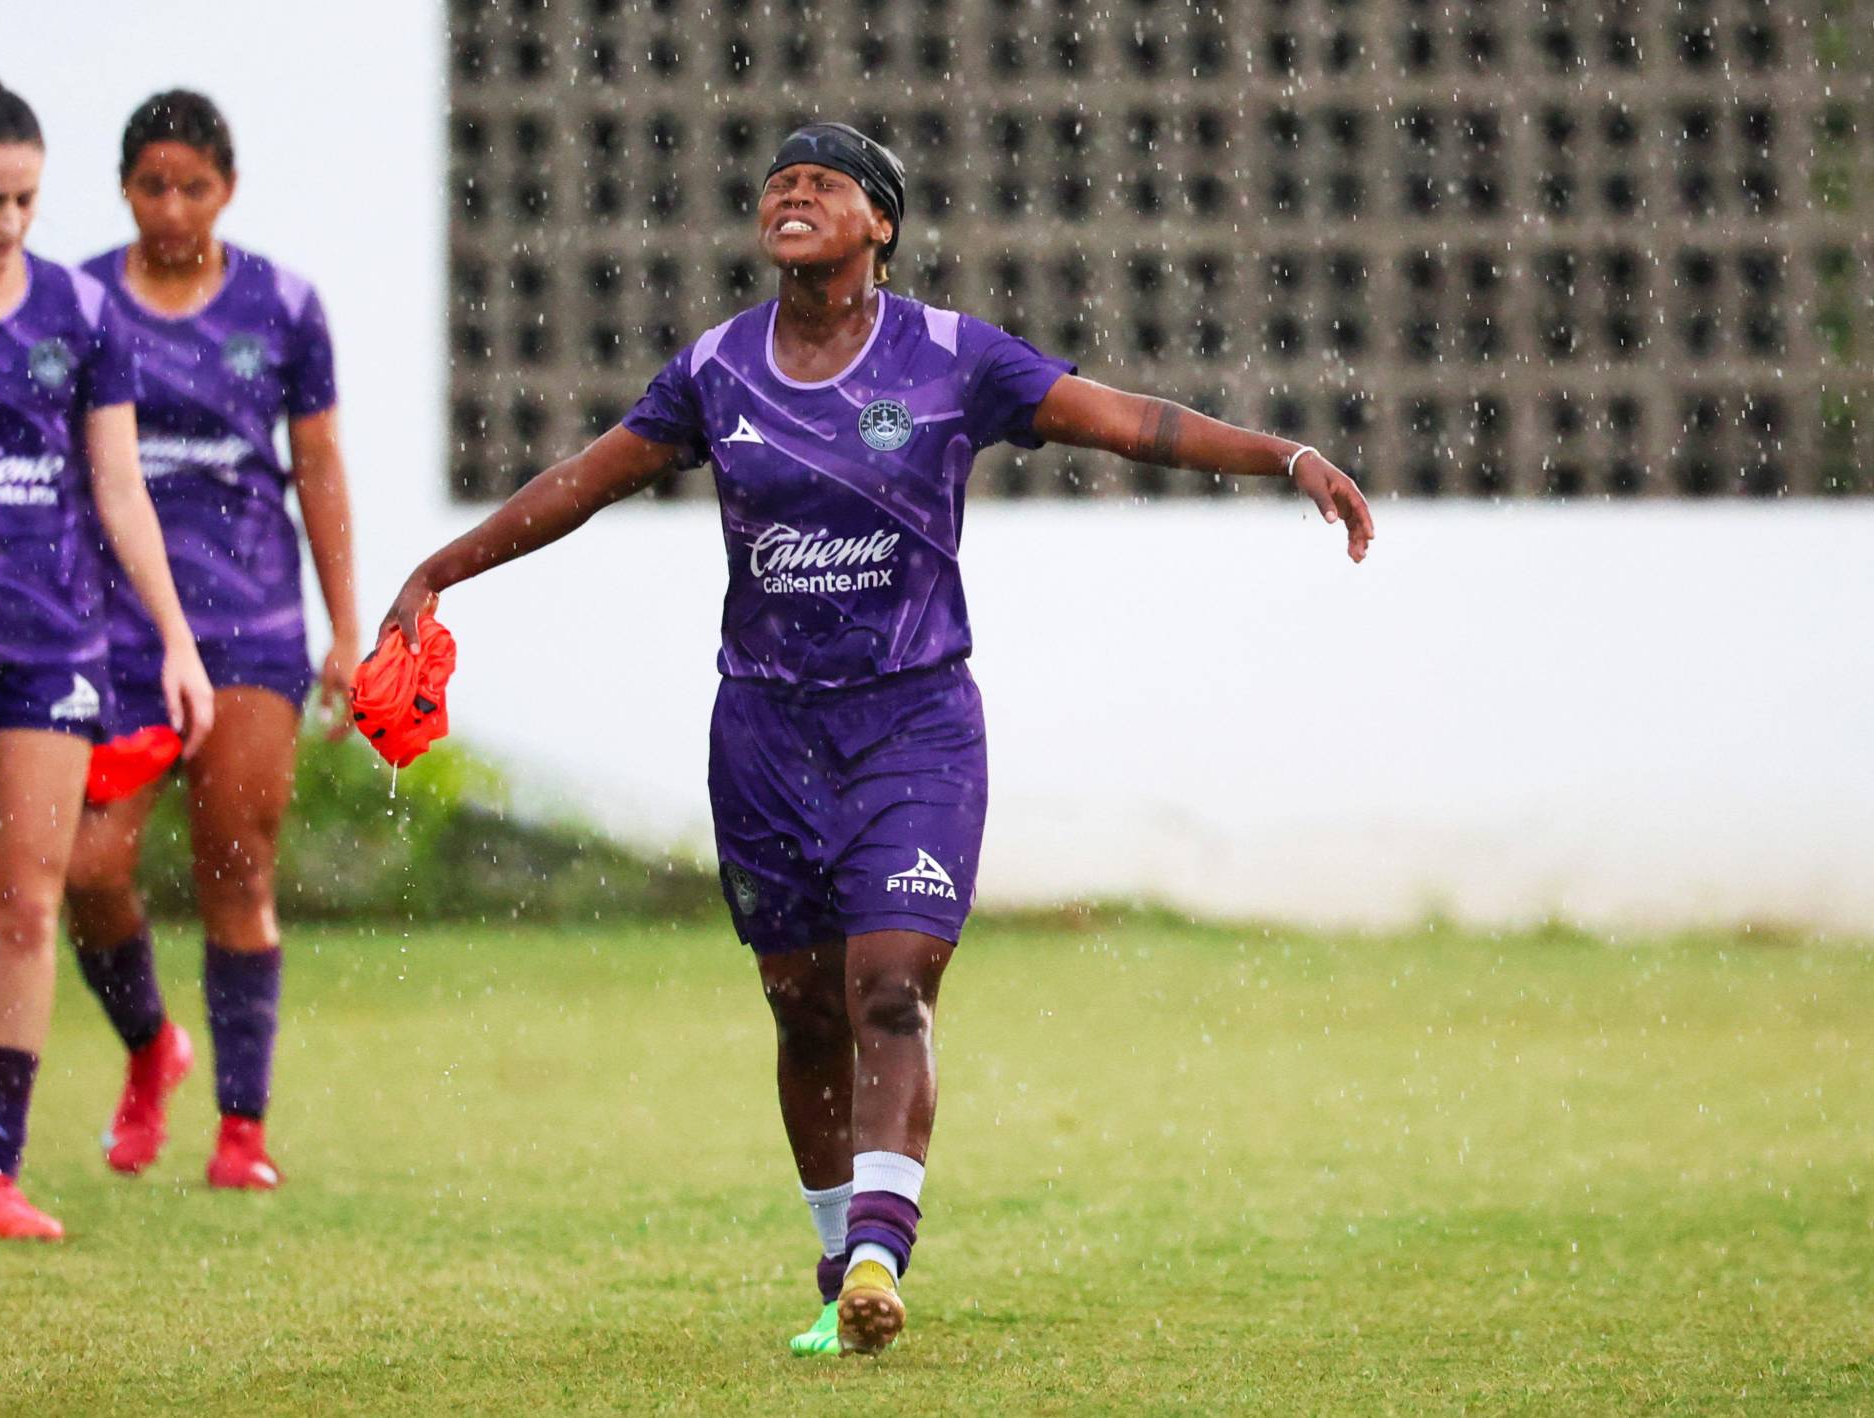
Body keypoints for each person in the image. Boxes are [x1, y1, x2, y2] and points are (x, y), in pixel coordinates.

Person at [379, 122, 1374, 1353]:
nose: (791, 194)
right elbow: (583, 479)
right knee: (802, 1008)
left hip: (911, 724)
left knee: (889, 986)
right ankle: (832, 1259)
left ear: (880, 224)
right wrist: (440, 569)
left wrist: (1283, 455)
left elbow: (1130, 420)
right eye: (778, 183)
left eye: (823, 182)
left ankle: (874, 1255)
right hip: (762, 733)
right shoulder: (715, 369)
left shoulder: (952, 356)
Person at [0, 72, 214, 1241]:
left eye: (27, 200)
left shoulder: (79, 311)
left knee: (26, 902)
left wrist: (176, 640)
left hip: (53, 641)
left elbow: (119, 486)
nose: (11, 221)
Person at [64, 90, 357, 1190]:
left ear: (228, 188)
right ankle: (150, 1046)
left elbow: (318, 466)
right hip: (114, 630)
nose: (174, 208)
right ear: (124, 189)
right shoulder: (78, 301)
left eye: (195, 186)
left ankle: (242, 1131)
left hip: (250, 624)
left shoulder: (283, 305)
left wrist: (345, 629)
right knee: (88, 867)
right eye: (153, 186)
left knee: (237, 869)